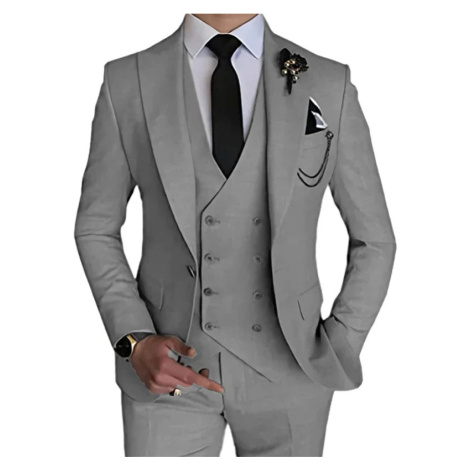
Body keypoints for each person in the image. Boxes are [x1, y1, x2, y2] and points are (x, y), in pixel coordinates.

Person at [74, 13, 397, 457]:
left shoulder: (327, 81)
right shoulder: (128, 80)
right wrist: (134, 340)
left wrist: (340, 344)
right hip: (165, 373)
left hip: (292, 374)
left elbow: (375, 240)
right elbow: (95, 228)